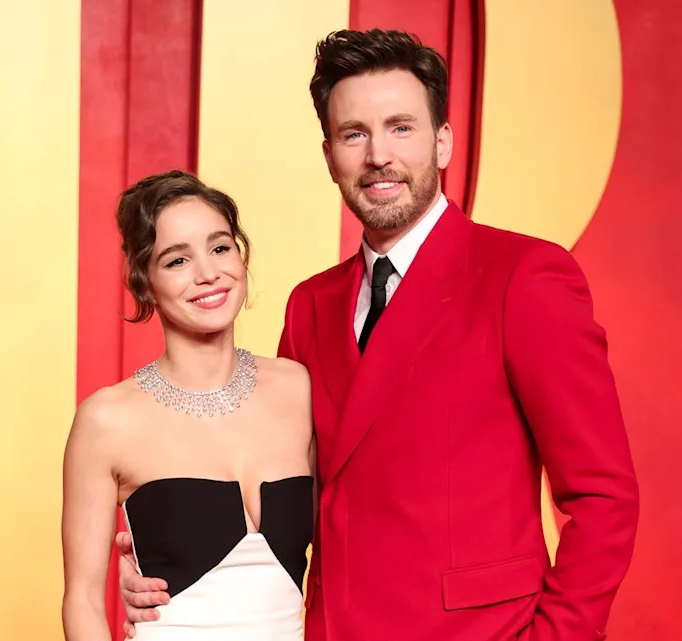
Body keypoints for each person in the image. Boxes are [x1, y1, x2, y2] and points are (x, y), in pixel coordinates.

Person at [119, 29, 639, 641]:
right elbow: (285, 491)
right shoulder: (312, 304)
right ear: (329, 154)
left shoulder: (523, 277)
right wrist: (178, 561)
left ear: (443, 142)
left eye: (401, 127)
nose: (378, 156)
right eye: (354, 134)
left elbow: (603, 497)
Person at [61, 170, 316, 641]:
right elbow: (81, 601)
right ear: (144, 283)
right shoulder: (107, 419)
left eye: (220, 248)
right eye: (177, 260)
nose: (207, 273)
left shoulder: (297, 388)